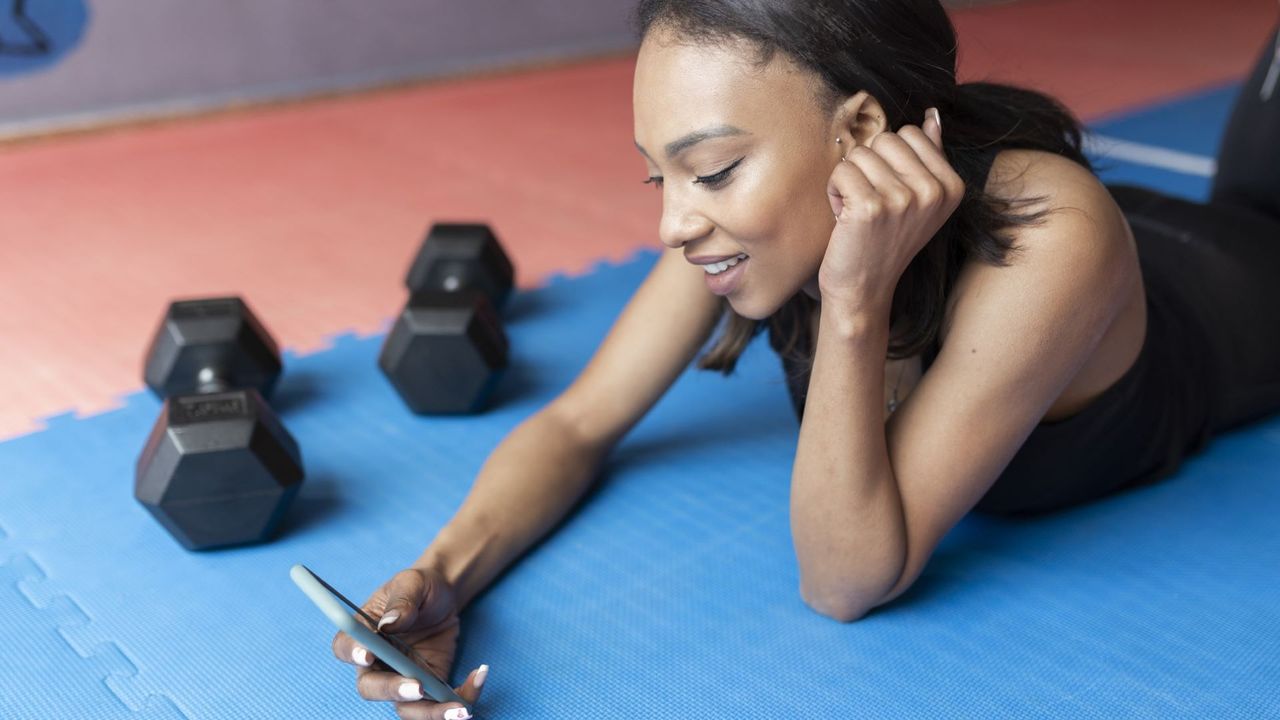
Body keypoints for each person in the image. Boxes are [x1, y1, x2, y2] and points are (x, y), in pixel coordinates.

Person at [329, 2, 1280, 717]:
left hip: (1242, 272)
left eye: (712, 170)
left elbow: (844, 582)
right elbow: (580, 422)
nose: (672, 222)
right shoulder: (739, 231)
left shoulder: (1048, 238)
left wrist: (854, 300)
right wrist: (442, 579)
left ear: (861, 132)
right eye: (659, 175)